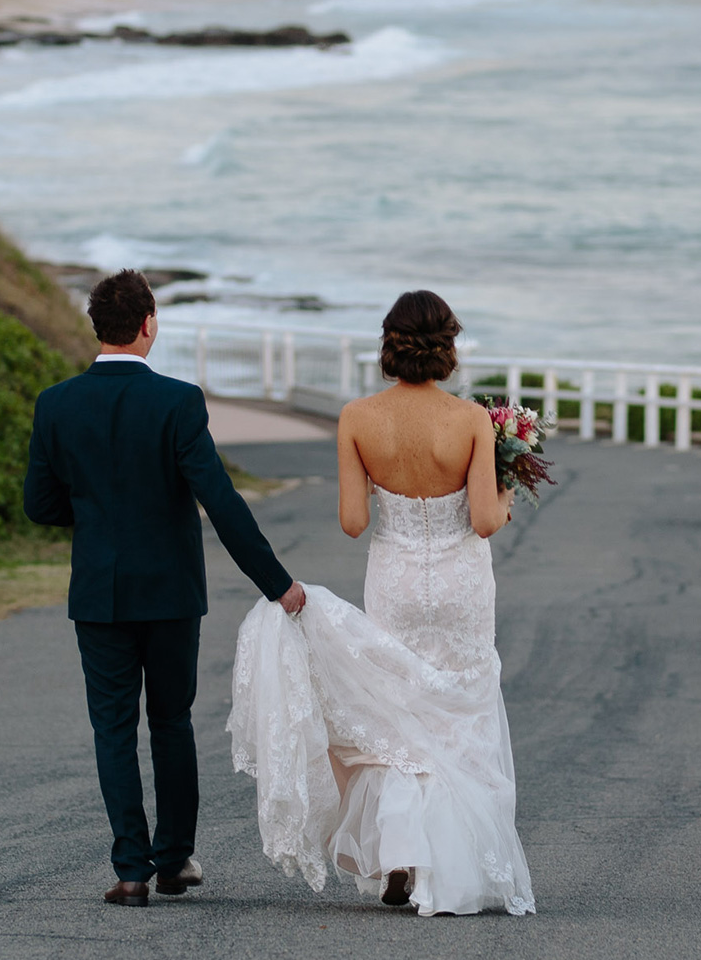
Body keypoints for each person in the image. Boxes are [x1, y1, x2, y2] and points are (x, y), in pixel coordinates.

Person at [229, 289, 534, 918]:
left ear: (389, 347)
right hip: (461, 587)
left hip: (394, 578)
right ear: (447, 349)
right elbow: (482, 520)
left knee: (398, 714)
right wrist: (505, 497)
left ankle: (400, 857)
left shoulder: (357, 417)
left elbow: (351, 521)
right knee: (460, 711)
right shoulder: (472, 421)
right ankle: (453, 866)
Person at [24, 269, 306, 910]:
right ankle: (175, 859)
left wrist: (99, 515)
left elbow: (39, 505)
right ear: (149, 324)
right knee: (171, 721)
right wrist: (276, 584)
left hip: (99, 591)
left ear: (96, 327)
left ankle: (131, 870)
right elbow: (221, 501)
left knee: (112, 729)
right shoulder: (178, 401)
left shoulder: (56, 403)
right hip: (172, 592)